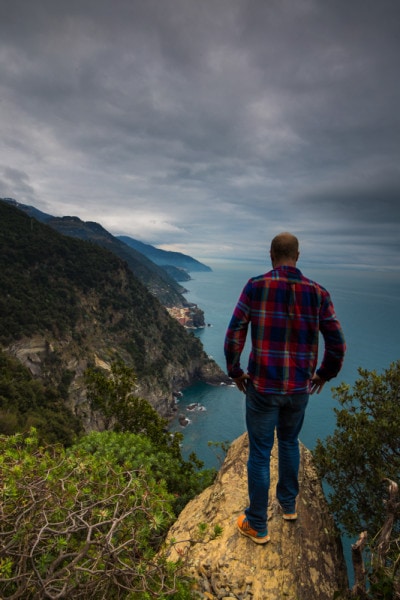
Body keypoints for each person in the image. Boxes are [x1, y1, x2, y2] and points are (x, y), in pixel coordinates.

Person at [224, 232, 346, 544]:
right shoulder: (318, 293)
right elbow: (337, 344)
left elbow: (235, 331)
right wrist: (323, 375)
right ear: (298, 255)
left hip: (262, 386)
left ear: (271, 254)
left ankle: (257, 524)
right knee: (290, 442)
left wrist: (235, 371)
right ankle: (288, 506)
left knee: (261, 453)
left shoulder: (255, 286)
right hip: (298, 389)